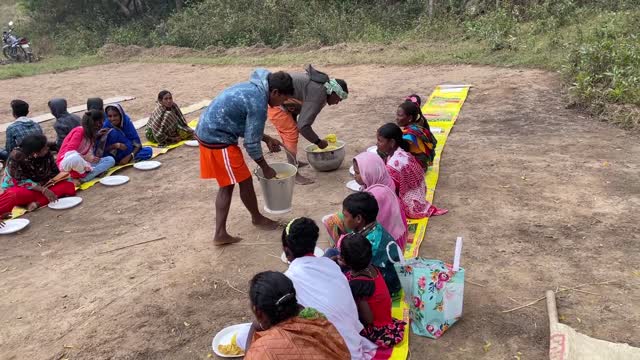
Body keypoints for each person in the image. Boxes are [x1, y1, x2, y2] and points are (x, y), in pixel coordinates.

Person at [195, 68, 292, 245]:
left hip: (210, 130)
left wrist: (266, 138)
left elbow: (243, 125)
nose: (280, 104)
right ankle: (234, 227)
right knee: (236, 183)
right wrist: (265, 167)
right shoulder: (258, 102)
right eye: (282, 99)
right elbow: (251, 144)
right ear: (275, 92)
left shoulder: (254, 89)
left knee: (233, 182)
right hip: (216, 138)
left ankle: (239, 225)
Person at [283, 217, 377, 360]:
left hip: (333, 352)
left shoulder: (287, 280)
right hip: (353, 344)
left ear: (287, 251)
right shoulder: (330, 264)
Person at [244, 271, 350, 360]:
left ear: (258, 312)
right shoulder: (319, 321)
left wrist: (253, 327)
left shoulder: (264, 350)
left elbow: (253, 356)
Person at [323, 152, 408, 250]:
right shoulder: (383, 181)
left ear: (370, 172)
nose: (355, 176)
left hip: (387, 242)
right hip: (394, 233)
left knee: (333, 222)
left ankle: (340, 247)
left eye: (358, 173)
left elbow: (365, 222)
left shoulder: (376, 195)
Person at [269, 65, 348, 170]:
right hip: (275, 101)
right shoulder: (319, 94)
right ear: (333, 92)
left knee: (291, 130)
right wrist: (319, 142)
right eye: (339, 98)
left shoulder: (321, 87)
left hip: (282, 100)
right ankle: (293, 171)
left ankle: (293, 162)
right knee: (291, 133)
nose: (338, 102)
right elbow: (303, 126)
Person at [340, 233, 406, 348]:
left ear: (345, 260)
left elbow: (368, 319)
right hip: (385, 318)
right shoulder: (372, 267)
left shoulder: (359, 284)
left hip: (377, 329)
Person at [334, 192, 401, 295]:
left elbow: (359, 268)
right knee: (332, 254)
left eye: (345, 216)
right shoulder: (374, 226)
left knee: (335, 276)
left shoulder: (367, 244)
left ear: (358, 219)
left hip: (387, 287)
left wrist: (343, 262)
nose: (343, 219)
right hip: (388, 275)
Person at [377, 123, 447, 219]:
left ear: (392, 142)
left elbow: (390, 188)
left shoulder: (393, 163)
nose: (377, 143)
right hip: (418, 194)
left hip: (411, 204)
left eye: (380, 141)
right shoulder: (400, 151)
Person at [0, 134, 76, 213]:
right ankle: (34, 202)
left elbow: (55, 173)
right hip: (22, 188)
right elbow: (20, 181)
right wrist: (43, 190)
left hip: (43, 186)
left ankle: (36, 203)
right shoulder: (16, 156)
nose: (47, 149)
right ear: (35, 153)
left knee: (68, 184)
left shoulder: (46, 153)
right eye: (44, 148)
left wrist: (59, 179)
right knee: (13, 194)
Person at [56, 110, 116, 183]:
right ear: (92, 123)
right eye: (99, 122)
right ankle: (82, 177)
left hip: (83, 166)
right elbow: (71, 154)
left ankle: (83, 178)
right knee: (75, 158)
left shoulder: (91, 134)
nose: (101, 125)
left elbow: (86, 153)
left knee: (110, 160)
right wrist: (86, 164)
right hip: (68, 165)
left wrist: (91, 159)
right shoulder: (79, 131)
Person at [266, 98, 313, 185]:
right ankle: (293, 173)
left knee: (289, 132)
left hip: (280, 105)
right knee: (290, 135)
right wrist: (317, 141)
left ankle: (293, 162)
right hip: (277, 107)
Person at [396, 95, 437, 171]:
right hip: (424, 162)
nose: (397, 118)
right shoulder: (418, 127)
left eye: (400, 115)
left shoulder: (409, 136)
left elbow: (400, 151)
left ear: (410, 118)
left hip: (418, 168)